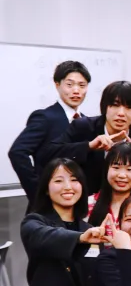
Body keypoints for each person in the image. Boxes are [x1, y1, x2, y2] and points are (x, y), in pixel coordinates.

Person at [21, 159, 104, 286]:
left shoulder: (88, 228)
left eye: (74, 180)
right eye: (59, 181)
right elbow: (44, 236)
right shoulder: (33, 222)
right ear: (46, 189)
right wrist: (80, 238)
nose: (68, 186)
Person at [51, 81, 131, 194]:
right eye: (115, 105)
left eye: (129, 107)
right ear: (105, 107)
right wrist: (89, 146)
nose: (121, 113)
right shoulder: (83, 128)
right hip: (83, 198)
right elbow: (48, 153)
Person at [11, 60, 90, 199]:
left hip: (78, 202)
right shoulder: (45, 117)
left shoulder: (86, 122)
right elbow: (17, 152)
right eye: (69, 85)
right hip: (47, 203)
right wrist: (38, 191)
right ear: (57, 85)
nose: (76, 91)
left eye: (82, 85)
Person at [86, 142, 131, 234]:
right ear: (107, 169)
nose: (122, 175)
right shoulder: (88, 204)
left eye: (129, 169)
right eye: (116, 167)